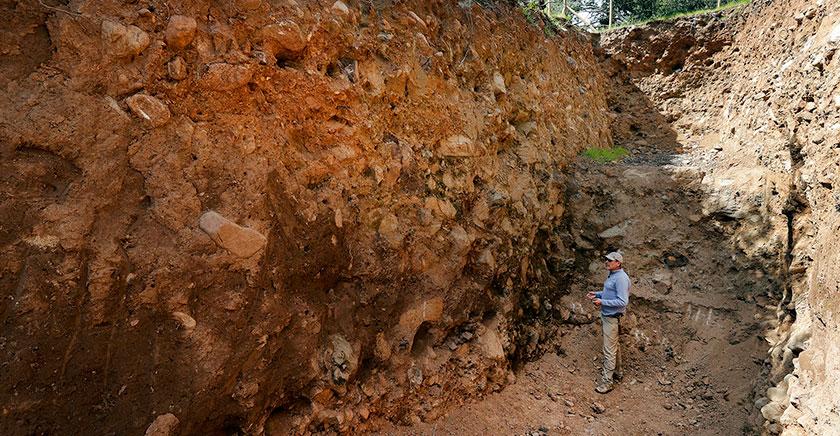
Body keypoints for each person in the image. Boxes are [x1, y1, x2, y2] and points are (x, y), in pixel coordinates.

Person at [587, 251, 631, 394]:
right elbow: (610, 292)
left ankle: (607, 383)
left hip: (612, 318)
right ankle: (618, 372)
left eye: (610, 260)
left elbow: (623, 301)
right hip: (609, 316)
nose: (607, 262)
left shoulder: (621, 279)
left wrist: (602, 302)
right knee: (614, 346)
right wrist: (597, 294)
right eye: (606, 260)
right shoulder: (614, 275)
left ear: (618, 263)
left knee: (609, 350)